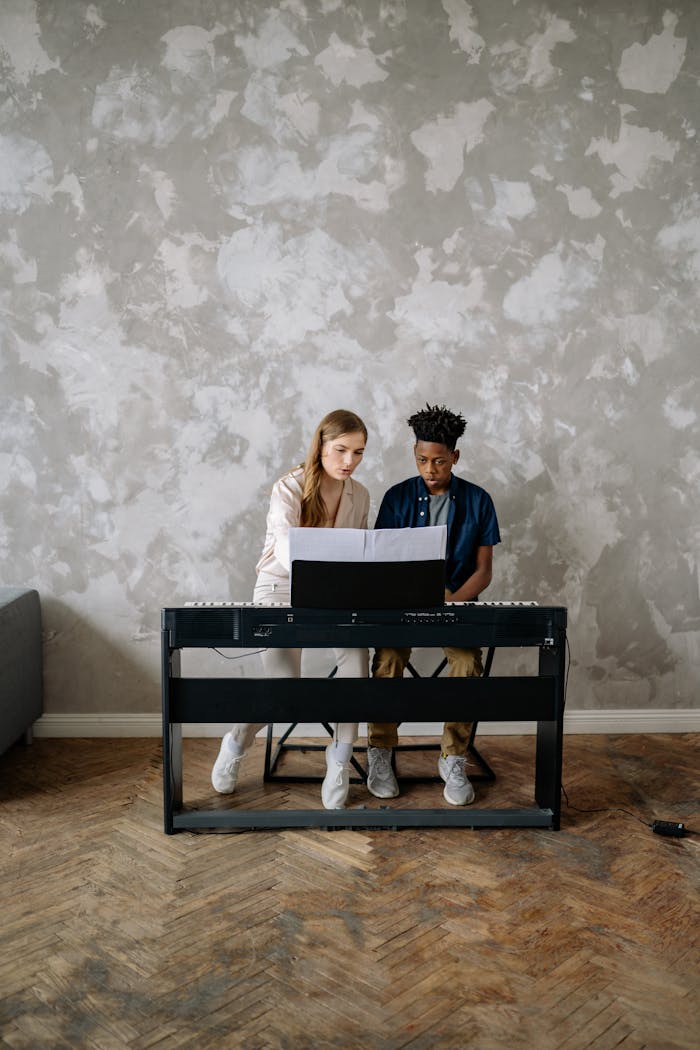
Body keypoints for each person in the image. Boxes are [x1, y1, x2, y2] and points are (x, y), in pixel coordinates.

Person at [211, 409, 370, 810]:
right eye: (341, 450)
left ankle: (339, 758)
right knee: (283, 691)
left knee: (357, 660)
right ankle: (237, 740)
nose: (349, 461)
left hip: (335, 590)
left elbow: (358, 555)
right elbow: (286, 549)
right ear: (320, 445)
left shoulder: (361, 495)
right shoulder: (289, 487)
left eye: (358, 452)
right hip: (281, 586)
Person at [366, 404, 500, 806]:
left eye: (439, 461)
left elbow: (484, 571)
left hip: (457, 607)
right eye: (422, 459)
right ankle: (381, 751)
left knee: (466, 663)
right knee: (387, 658)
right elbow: (382, 562)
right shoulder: (397, 498)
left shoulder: (479, 501)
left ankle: (453, 757)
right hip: (401, 607)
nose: (429, 468)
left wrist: (453, 602)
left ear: (455, 457)